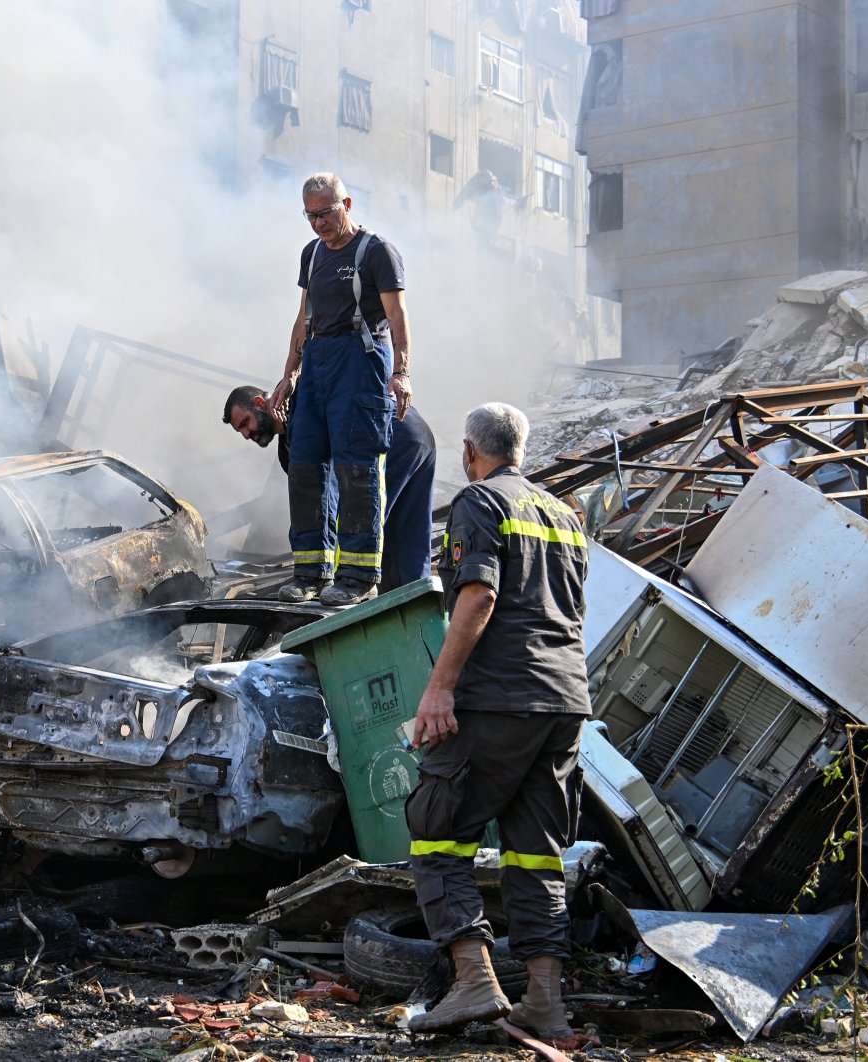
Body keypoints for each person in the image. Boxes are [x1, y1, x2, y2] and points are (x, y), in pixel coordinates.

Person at [404, 402, 590, 1039]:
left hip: (497, 698)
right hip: (563, 702)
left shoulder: (480, 503)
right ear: (523, 449)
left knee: (437, 830)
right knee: (537, 852)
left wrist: (439, 688)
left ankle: (474, 980)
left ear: (468, 452)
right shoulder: (566, 514)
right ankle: (545, 1003)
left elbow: (478, 594)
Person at [270, 172, 414, 606]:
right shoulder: (312, 255)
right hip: (316, 366)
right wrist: (289, 375)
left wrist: (402, 372)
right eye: (310, 216)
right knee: (305, 464)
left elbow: (398, 316)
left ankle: (358, 576)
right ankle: (310, 572)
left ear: (346, 205)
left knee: (357, 467)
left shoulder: (377, 252)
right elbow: (303, 318)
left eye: (326, 213)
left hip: (361, 363)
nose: (318, 224)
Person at [222, 384, 436, 594]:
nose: (246, 435)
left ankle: (349, 584)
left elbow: (325, 501)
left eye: (244, 424)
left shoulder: (302, 413)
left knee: (361, 521)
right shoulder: (287, 449)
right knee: (405, 534)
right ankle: (417, 605)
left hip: (388, 437)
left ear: (259, 403)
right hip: (415, 432)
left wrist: (321, 578)